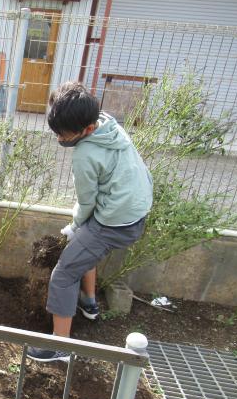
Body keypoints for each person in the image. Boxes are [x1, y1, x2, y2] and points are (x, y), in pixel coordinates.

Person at [27, 82, 153, 363]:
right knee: (85, 247)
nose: (61, 138)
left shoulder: (85, 154)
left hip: (115, 222)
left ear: (88, 129)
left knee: (63, 273)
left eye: (65, 134)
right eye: (57, 131)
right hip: (133, 210)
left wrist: (74, 226)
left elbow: (86, 203)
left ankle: (60, 348)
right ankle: (89, 303)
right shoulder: (109, 124)